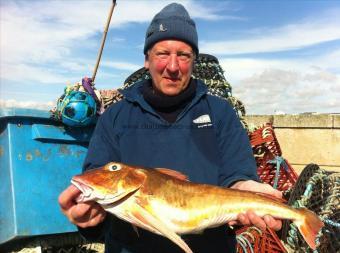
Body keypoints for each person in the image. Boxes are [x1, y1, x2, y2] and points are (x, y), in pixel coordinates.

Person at [59, 3, 282, 253]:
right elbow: (98, 187)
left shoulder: (220, 113)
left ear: (193, 60)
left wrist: (246, 188)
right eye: (163, 53)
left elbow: (238, 175)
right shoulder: (115, 116)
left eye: (184, 55)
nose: (173, 67)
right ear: (147, 59)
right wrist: (87, 219)